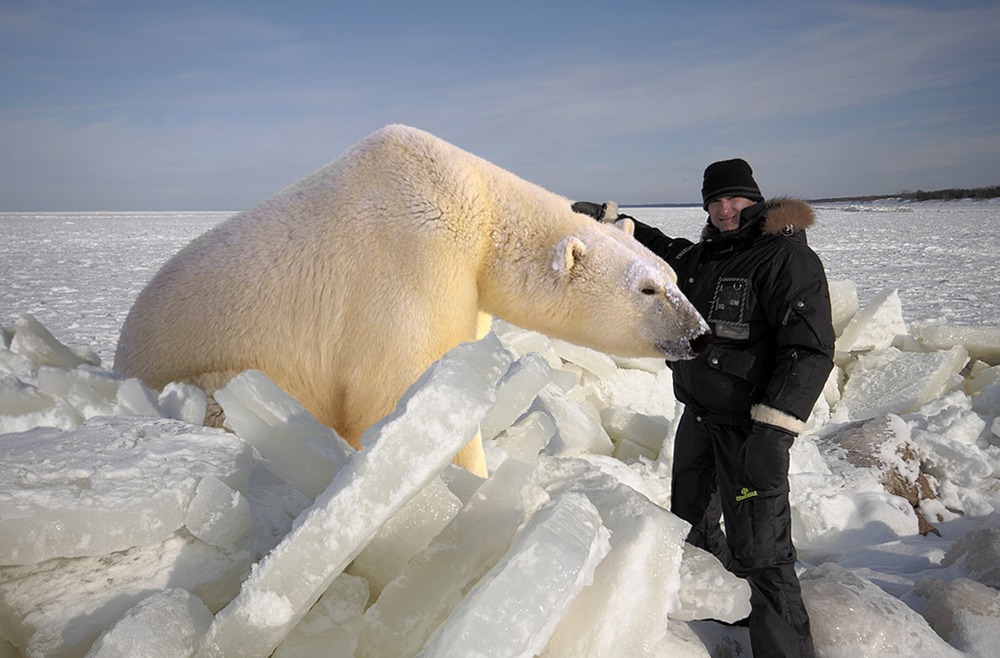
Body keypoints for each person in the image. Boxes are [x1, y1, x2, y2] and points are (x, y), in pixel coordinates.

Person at [573, 158, 835, 658]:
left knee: (761, 549)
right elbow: (667, 251)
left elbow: (810, 351)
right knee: (691, 525)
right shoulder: (708, 258)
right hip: (699, 419)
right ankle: (721, 619)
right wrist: (613, 222)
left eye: (734, 199)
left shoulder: (784, 259)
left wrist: (773, 431)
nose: (723, 209)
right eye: (714, 201)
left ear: (756, 200)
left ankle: (785, 649)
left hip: (751, 428)